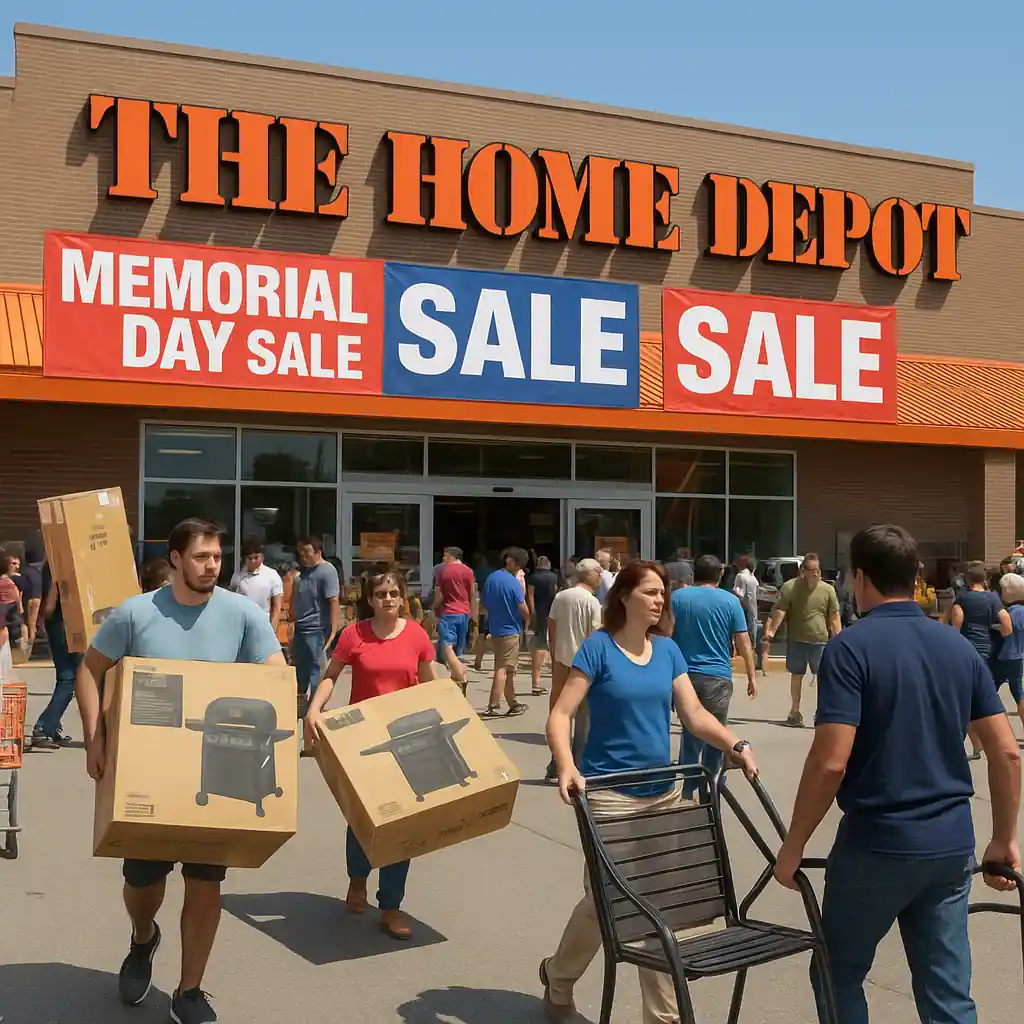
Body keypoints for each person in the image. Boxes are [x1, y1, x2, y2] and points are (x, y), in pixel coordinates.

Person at [774, 524, 1021, 1024]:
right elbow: (1007, 753)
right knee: (947, 992)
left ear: (859, 577)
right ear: (916, 578)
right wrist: (1003, 839)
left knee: (837, 971)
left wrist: (793, 844)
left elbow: (830, 761)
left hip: (877, 843)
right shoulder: (956, 649)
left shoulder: (850, 648)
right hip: (951, 844)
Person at [73, 518, 285, 1024]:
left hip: (221, 769)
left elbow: (275, 675)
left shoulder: (242, 615)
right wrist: (94, 738)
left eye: (216, 556)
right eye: (201, 557)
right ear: (173, 560)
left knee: (206, 881)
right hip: (148, 776)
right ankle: (143, 937)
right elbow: (89, 669)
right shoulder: (135, 613)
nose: (212, 565)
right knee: (142, 886)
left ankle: (189, 990)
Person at [541, 560, 759, 1023]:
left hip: (662, 795)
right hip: (608, 794)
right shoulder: (598, 649)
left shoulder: (668, 651)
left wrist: (734, 744)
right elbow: (560, 715)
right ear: (624, 597)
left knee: (644, 906)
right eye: (652, 592)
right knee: (616, 905)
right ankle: (568, 985)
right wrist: (566, 766)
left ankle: (602, 995)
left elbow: (695, 714)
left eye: (663, 593)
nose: (661, 600)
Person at [305, 567, 436, 941]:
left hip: (408, 738)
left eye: (394, 593)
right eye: (381, 594)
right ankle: (357, 879)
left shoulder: (415, 634)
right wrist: (314, 709)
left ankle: (391, 906)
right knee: (362, 816)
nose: (388, 600)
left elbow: (430, 683)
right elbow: (331, 675)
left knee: (403, 824)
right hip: (363, 738)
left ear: (402, 597)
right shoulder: (354, 634)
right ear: (370, 599)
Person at [672, 554, 757, 798]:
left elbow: (663, 634)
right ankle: (712, 788)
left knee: (690, 732)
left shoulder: (677, 598)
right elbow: (743, 641)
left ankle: (688, 791)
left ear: (693, 575)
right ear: (719, 575)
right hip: (717, 677)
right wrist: (752, 675)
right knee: (717, 734)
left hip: (683, 676)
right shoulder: (730, 602)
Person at [542, 558, 604, 783]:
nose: (601, 577)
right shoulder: (592, 602)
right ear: (592, 574)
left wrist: (554, 652)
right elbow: (594, 636)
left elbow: (552, 626)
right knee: (583, 718)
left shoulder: (562, 596)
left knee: (559, 713)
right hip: (583, 666)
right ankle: (576, 763)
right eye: (599, 573)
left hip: (561, 661)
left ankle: (556, 761)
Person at [763, 553, 842, 727]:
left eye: (818, 571)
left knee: (822, 678)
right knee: (796, 675)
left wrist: (839, 640)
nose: (816, 574)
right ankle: (795, 712)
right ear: (803, 571)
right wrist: (771, 631)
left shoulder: (828, 590)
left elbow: (834, 617)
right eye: (812, 570)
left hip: (820, 641)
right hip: (797, 640)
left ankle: (822, 713)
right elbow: (781, 610)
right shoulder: (790, 587)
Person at [951, 561, 1011, 760]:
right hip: (985, 652)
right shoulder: (992, 598)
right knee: (980, 696)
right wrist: (994, 629)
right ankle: (990, 742)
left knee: (963, 699)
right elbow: (1007, 625)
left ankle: (972, 744)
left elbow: (956, 619)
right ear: (984, 579)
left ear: (967, 580)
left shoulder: (963, 598)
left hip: (965, 651)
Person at [31, 553, 85, 749]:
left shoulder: (55, 562)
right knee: (69, 679)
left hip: (63, 626)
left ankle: (51, 727)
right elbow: (49, 607)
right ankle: (43, 727)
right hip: (65, 626)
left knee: (68, 678)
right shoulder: (60, 565)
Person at [290, 535, 340, 715]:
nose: (303, 557)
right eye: (301, 553)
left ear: (318, 552)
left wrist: (333, 630)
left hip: (317, 628)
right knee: (299, 669)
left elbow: (334, 601)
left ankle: (315, 707)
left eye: (307, 553)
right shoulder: (302, 573)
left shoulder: (327, 571)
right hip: (301, 628)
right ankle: (299, 704)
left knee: (315, 670)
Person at [481, 547, 530, 717]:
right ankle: (493, 705)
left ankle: (512, 702)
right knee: (502, 668)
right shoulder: (513, 583)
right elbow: (523, 609)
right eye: (518, 567)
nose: (519, 571)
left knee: (508, 668)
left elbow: (484, 605)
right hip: (510, 630)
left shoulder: (491, 579)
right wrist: (528, 618)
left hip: (496, 628)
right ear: (512, 562)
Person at [432, 546, 476, 694]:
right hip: (464, 613)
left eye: (445, 556)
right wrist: (473, 616)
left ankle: (460, 677)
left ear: (452, 557)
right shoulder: (468, 571)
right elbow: (472, 594)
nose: (443, 559)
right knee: (458, 651)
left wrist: (433, 608)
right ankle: (455, 682)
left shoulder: (443, 571)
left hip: (449, 612)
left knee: (447, 646)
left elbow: (439, 596)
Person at [229, 538, 284, 633]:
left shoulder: (272, 575)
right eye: (250, 558)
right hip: (242, 625)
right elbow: (231, 602)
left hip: (263, 624)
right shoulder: (238, 576)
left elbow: (276, 607)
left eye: (256, 557)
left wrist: (272, 630)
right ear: (244, 558)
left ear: (262, 557)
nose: (253, 561)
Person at [995, 572, 1024, 735]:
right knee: (1018, 693)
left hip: (1007, 655)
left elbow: (1007, 630)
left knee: (990, 691)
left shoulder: (1012, 612)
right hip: (1018, 655)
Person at [527, 555, 558, 698]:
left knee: (539, 645)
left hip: (539, 613)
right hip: (552, 612)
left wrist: (532, 611)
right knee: (553, 645)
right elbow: (556, 593)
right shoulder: (554, 577)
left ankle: (536, 683)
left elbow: (531, 595)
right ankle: (555, 679)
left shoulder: (533, 577)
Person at [16, 532, 45, 660]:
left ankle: (28, 651)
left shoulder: (25, 572)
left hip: (29, 599)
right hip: (37, 598)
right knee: (33, 624)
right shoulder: (39, 572)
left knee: (27, 624)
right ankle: (31, 649)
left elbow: (21, 588)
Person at [731, 554, 759, 652]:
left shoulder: (740, 576)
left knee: (741, 628)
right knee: (752, 625)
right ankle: (752, 646)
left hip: (743, 607)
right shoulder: (753, 578)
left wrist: (734, 590)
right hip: (753, 606)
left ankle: (740, 648)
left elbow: (740, 594)